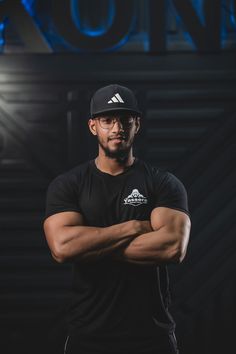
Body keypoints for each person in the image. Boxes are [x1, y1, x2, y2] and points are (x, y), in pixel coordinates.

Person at [43, 84, 191, 354]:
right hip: (88, 335)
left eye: (125, 120)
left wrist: (90, 245)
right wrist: (135, 227)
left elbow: (172, 247)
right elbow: (63, 247)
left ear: (137, 124)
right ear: (92, 126)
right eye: (107, 120)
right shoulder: (68, 185)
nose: (117, 128)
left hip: (151, 336)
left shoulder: (163, 183)